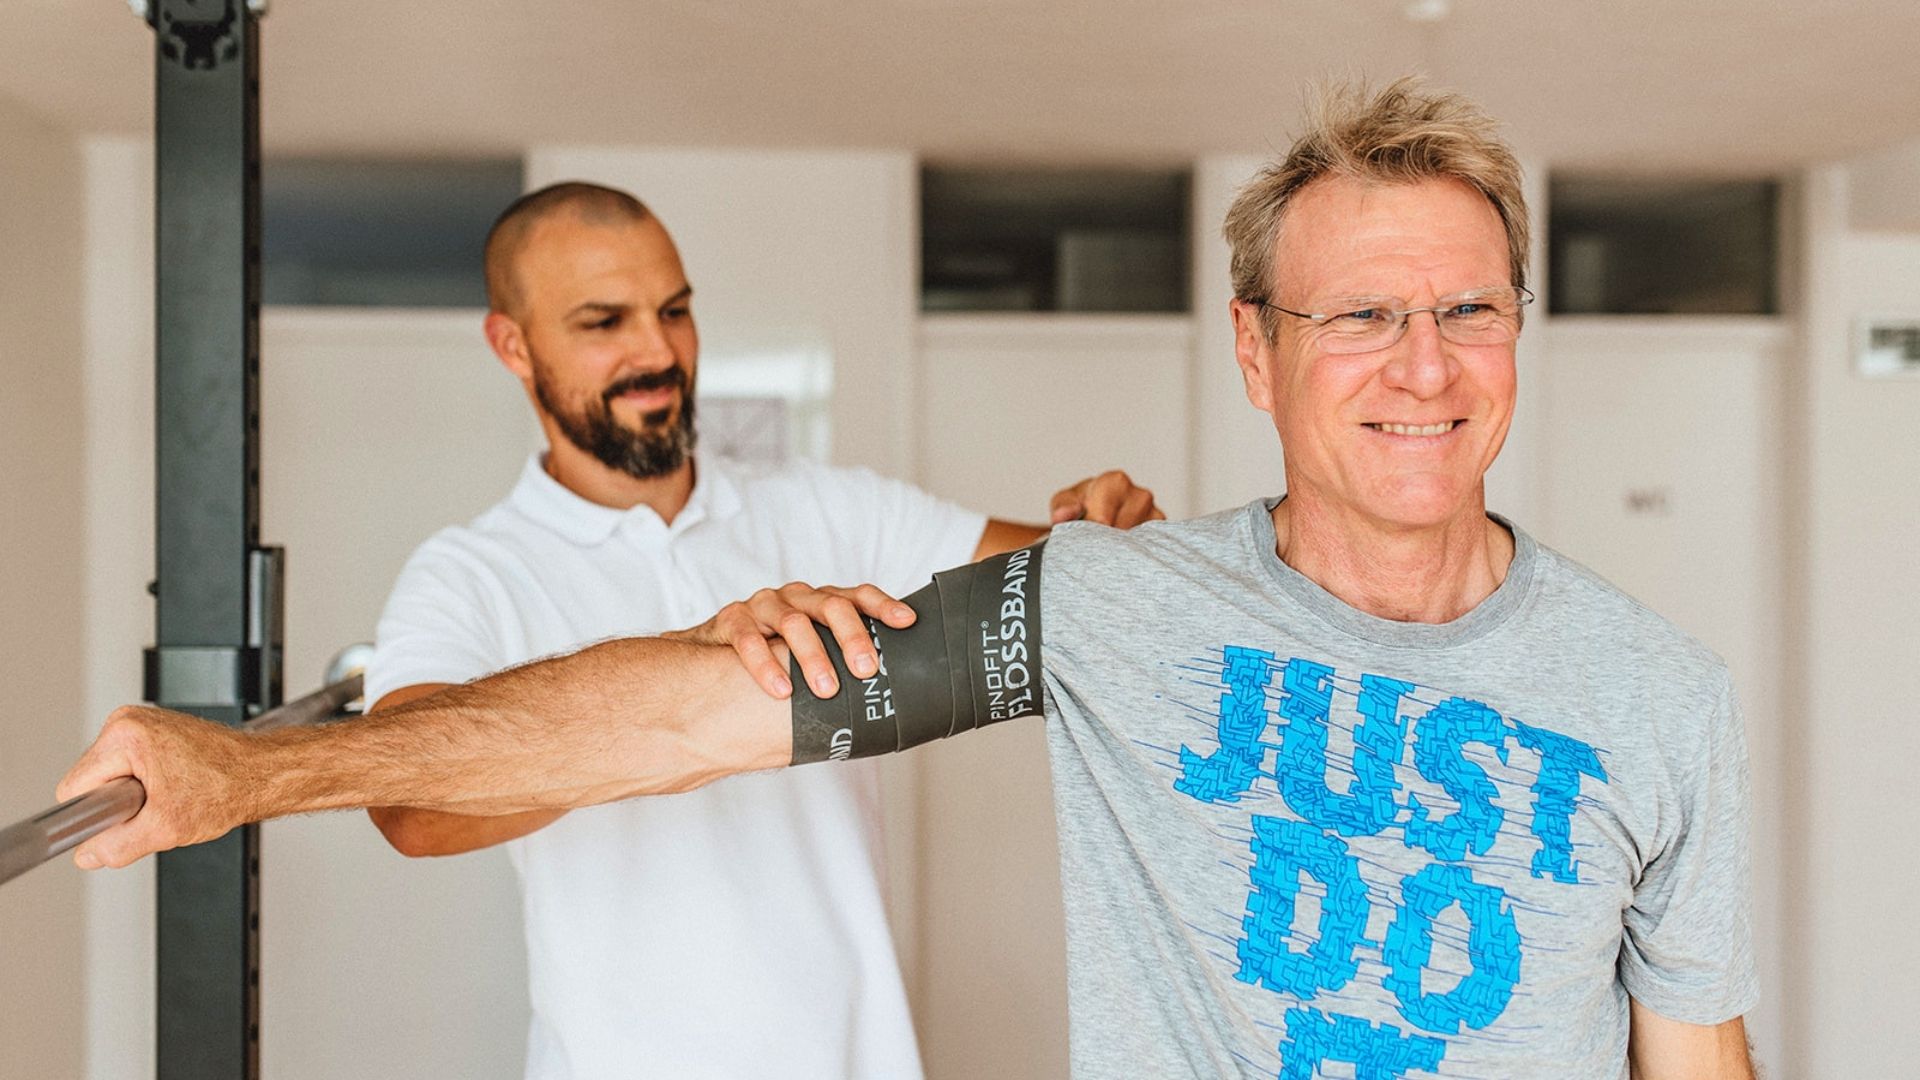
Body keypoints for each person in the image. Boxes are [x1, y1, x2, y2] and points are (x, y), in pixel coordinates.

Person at [61, 80, 1758, 1079]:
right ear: (1256, 352)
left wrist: (1085, 518)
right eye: (1358, 316)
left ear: (1522, 327)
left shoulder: (1664, 696)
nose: (1423, 363)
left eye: (1466, 307)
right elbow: (661, 723)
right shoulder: (1122, 614)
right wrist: (251, 771)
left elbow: (1694, 1051)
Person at [336, 182, 1164, 1080]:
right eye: (603, 322)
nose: (657, 351)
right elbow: (410, 805)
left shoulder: (831, 510)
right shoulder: (470, 572)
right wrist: (681, 699)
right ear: (513, 345)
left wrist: (1119, 547)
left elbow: (1078, 604)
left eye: (675, 311)